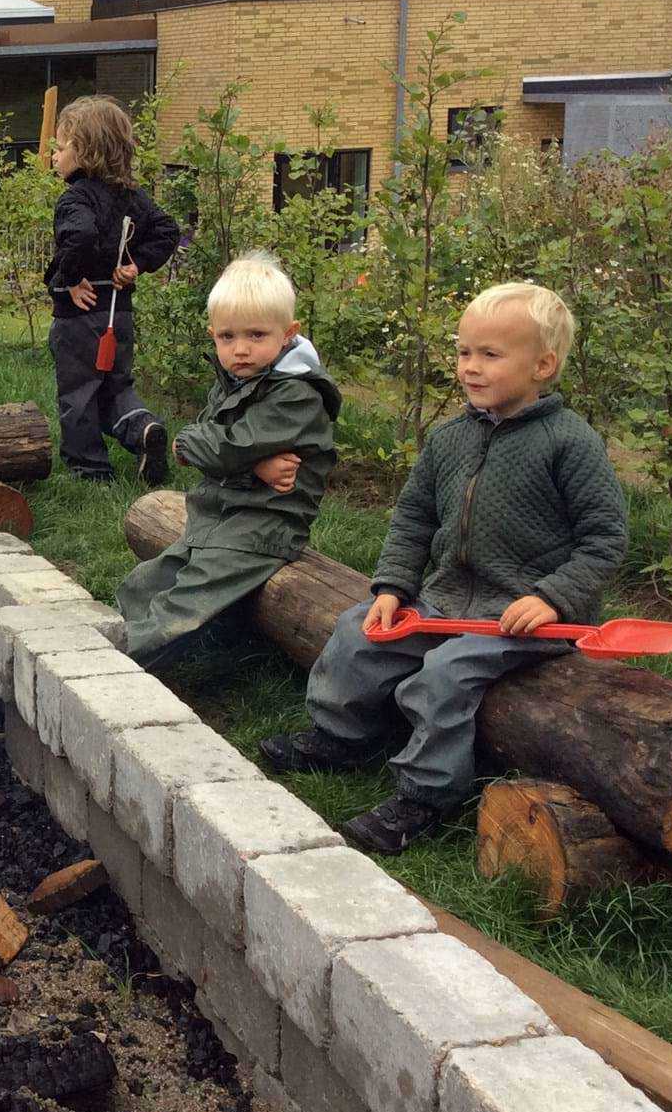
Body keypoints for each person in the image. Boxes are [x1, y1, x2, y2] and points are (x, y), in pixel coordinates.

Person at [262, 282, 627, 854]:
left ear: (543, 365)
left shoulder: (568, 443)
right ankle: (343, 736)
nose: (471, 368)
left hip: (521, 615)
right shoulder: (450, 438)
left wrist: (553, 598)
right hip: (443, 598)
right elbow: (413, 518)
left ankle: (426, 793)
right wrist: (392, 587)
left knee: (444, 677)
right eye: (464, 353)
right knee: (358, 634)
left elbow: (605, 538)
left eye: (490, 355)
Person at [115, 251, 340, 670]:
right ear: (213, 334)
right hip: (221, 511)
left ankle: (118, 665)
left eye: (257, 335)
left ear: (288, 333)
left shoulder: (296, 393)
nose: (241, 350)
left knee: (189, 597)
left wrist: (194, 445)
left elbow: (221, 446)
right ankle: (108, 634)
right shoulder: (239, 380)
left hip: (266, 524)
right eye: (227, 337)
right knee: (147, 581)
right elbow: (218, 441)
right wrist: (252, 463)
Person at [43, 95, 182, 483]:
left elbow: (81, 235)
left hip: (80, 318)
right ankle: (143, 431)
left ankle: (90, 469)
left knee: (79, 392)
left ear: (83, 152)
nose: (54, 157)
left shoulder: (75, 198)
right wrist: (135, 265)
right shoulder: (132, 197)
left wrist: (69, 280)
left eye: (59, 148)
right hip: (118, 313)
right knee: (116, 385)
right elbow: (168, 230)